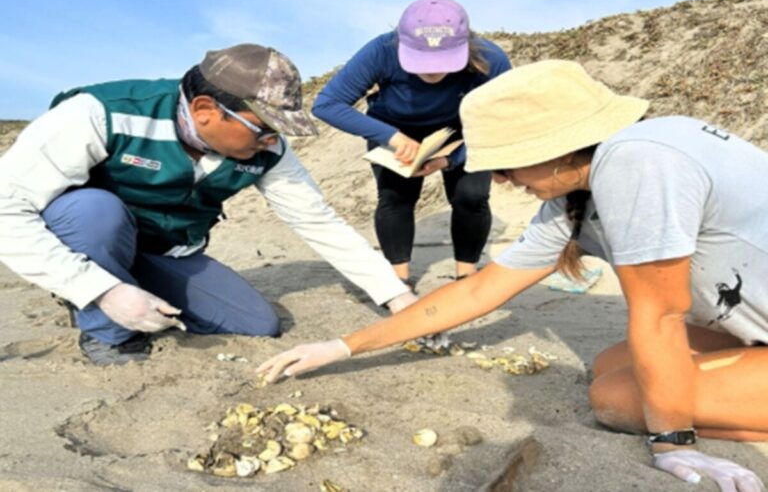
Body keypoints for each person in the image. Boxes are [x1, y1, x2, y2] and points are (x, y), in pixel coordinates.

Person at [258, 60, 768, 491]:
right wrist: (344, 346)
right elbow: (482, 288)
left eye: (505, 164)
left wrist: (671, 442)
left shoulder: (639, 162)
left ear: (555, 144)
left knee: (615, 401)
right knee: (610, 365)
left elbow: (661, 314)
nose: (500, 180)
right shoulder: (578, 194)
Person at [0, 44, 416, 366]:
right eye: (265, 129)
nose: (272, 142)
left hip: (166, 250)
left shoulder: (267, 149)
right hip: (92, 234)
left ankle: (132, 284)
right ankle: (105, 329)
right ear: (204, 110)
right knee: (94, 213)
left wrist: (396, 297)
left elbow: (318, 222)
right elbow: (6, 210)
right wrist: (100, 290)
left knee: (258, 323)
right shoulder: (98, 114)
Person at [312, 0, 511, 287]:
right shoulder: (381, 51)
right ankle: (398, 281)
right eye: (422, 60)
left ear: (465, 45)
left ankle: (467, 277)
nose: (431, 70)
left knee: (472, 197)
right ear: (402, 43)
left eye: (442, 60)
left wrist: (451, 159)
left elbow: (507, 120)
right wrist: (390, 137)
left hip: (460, 132)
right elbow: (327, 104)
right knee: (395, 198)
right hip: (394, 130)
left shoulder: (491, 59)